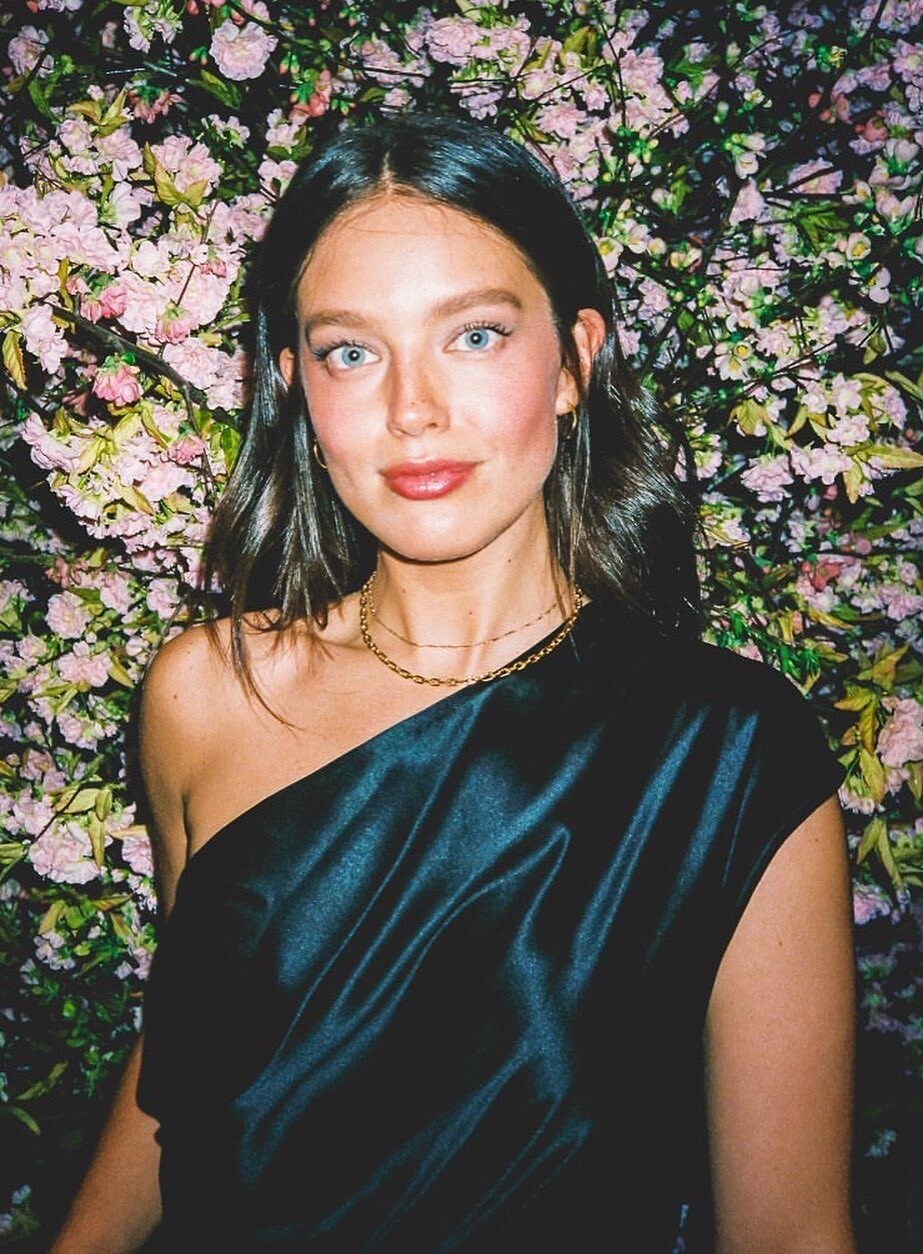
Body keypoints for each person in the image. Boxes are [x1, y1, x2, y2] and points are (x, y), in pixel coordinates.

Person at [51, 112, 855, 1252]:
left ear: (574, 360)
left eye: (472, 336)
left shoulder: (728, 754)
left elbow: (790, 1235)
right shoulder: (207, 693)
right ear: (295, 385)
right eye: (351, 351)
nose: (411, 410)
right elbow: (188, 1062)